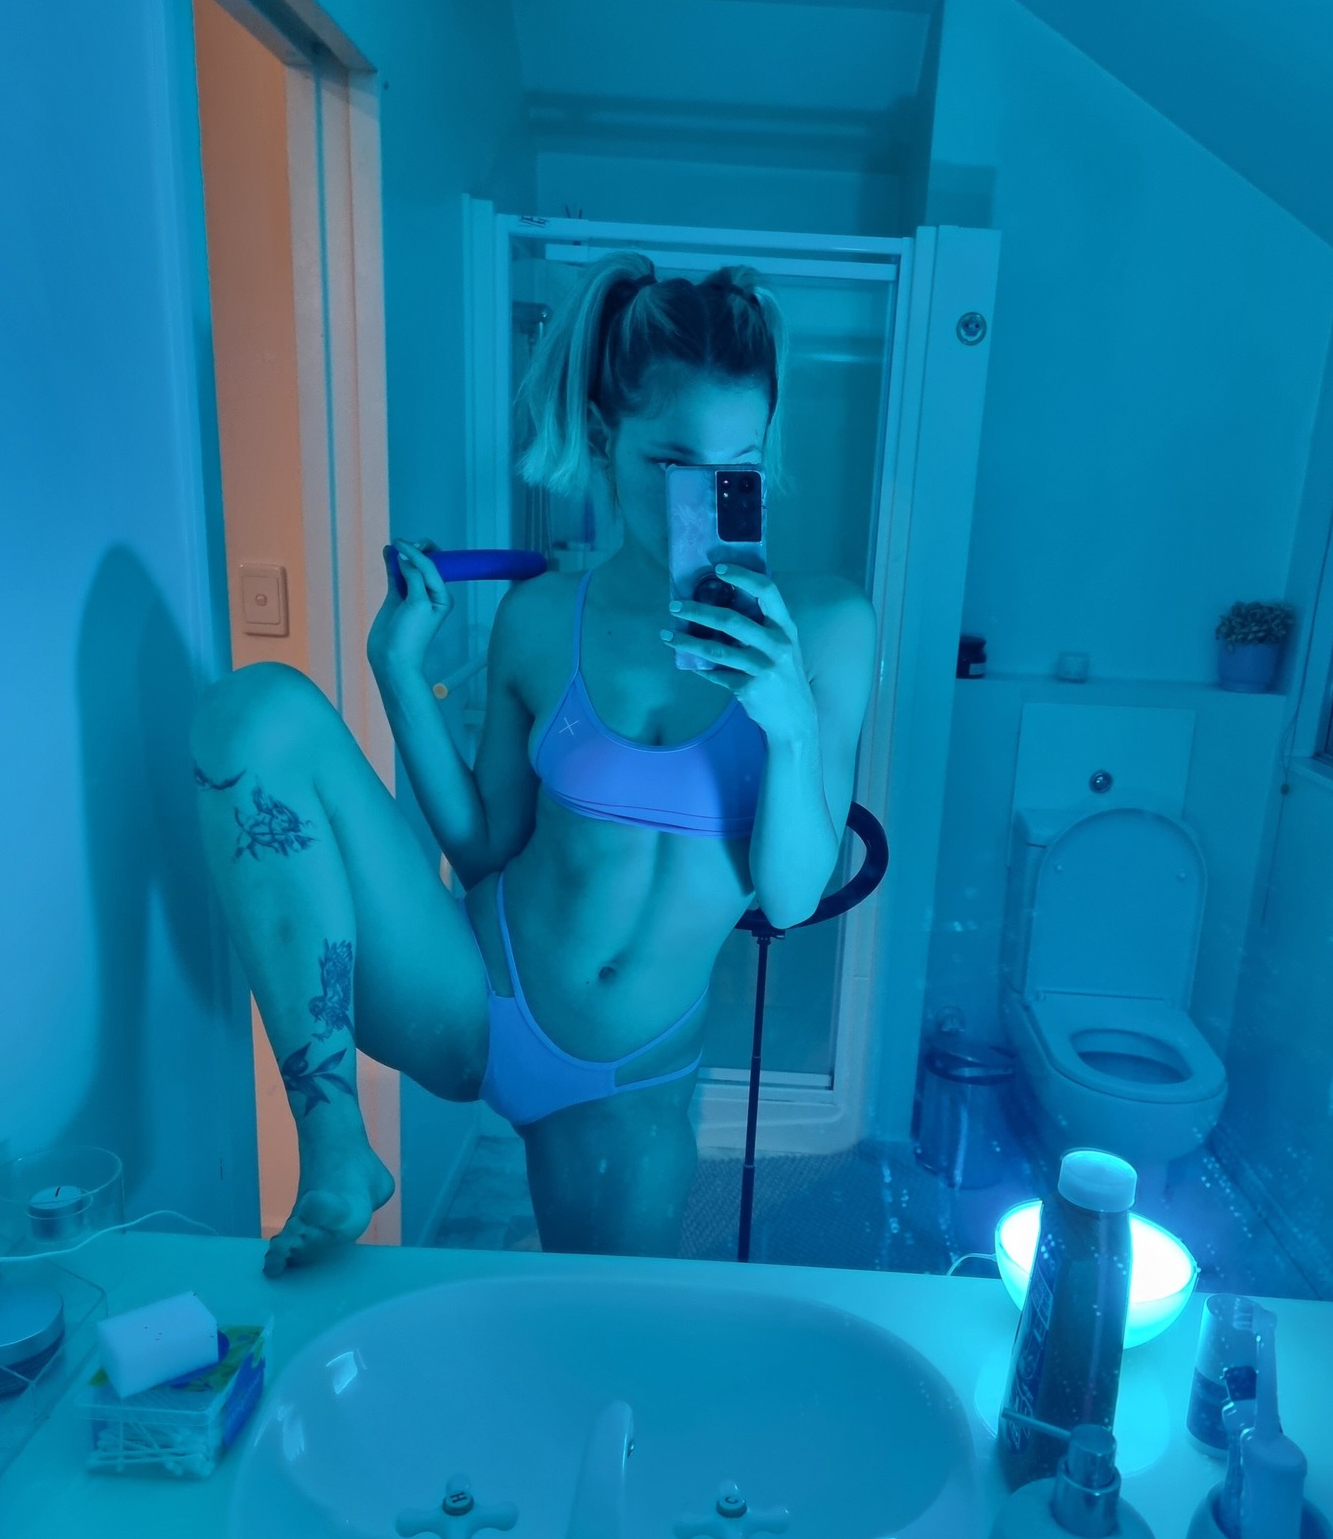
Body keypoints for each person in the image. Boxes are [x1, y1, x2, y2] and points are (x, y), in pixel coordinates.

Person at [189, 253, 876, 1274]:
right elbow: (484, 850)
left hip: (632, 1076)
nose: (698, 501)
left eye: (733, 469)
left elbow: (789, 896)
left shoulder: (824, 627)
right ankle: (334, 1149)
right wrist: (398, 671)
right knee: (252, 713)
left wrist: (788, 721)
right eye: (668, 464)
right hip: (472, 988)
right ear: (602, 439)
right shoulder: (544, 615)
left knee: (603, 1337)